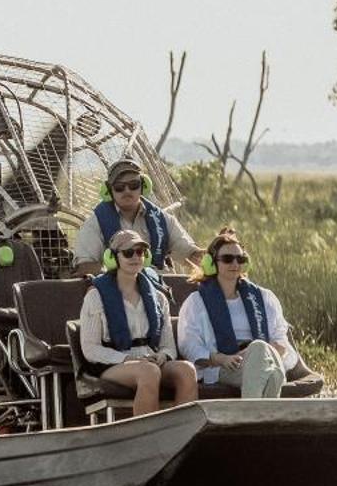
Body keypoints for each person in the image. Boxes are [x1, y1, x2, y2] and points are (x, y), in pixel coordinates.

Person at [77, 228, 198, 418]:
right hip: (112, 365)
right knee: (148, 372)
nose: (135, 257)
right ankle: (148, 437)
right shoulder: (95, 296)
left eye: (140, 252)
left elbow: (168, 346)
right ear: (113, 258)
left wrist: (163, 356)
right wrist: (127, 359)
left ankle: (181, 432)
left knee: (186, 370)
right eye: (128, 253)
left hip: (149, 361)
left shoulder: (158, 298)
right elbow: (90, 349)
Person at [176, 226, 300, 398]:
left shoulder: (264, 298)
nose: (234, 264)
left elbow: (281, 341)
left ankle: (252, 417)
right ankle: (260, 419)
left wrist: (263, 351)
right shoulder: (196, 303)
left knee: (266, 361)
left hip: (265, 359)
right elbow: (189, 345)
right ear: (211, 264)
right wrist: (221, 359)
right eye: (227, 259)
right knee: (273, 373)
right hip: (224, 366)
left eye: (239, 258)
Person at [71, 157, 203, 276]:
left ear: (144, 186)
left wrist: (218, 253)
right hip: (117, 291)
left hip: (162, 286)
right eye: (119, 187)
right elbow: (84, 266)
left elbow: (191, 255)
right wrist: (123, 271)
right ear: (108, 191)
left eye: (133, 185)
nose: (127, 191)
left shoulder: (163, 220)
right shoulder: (96, 223)